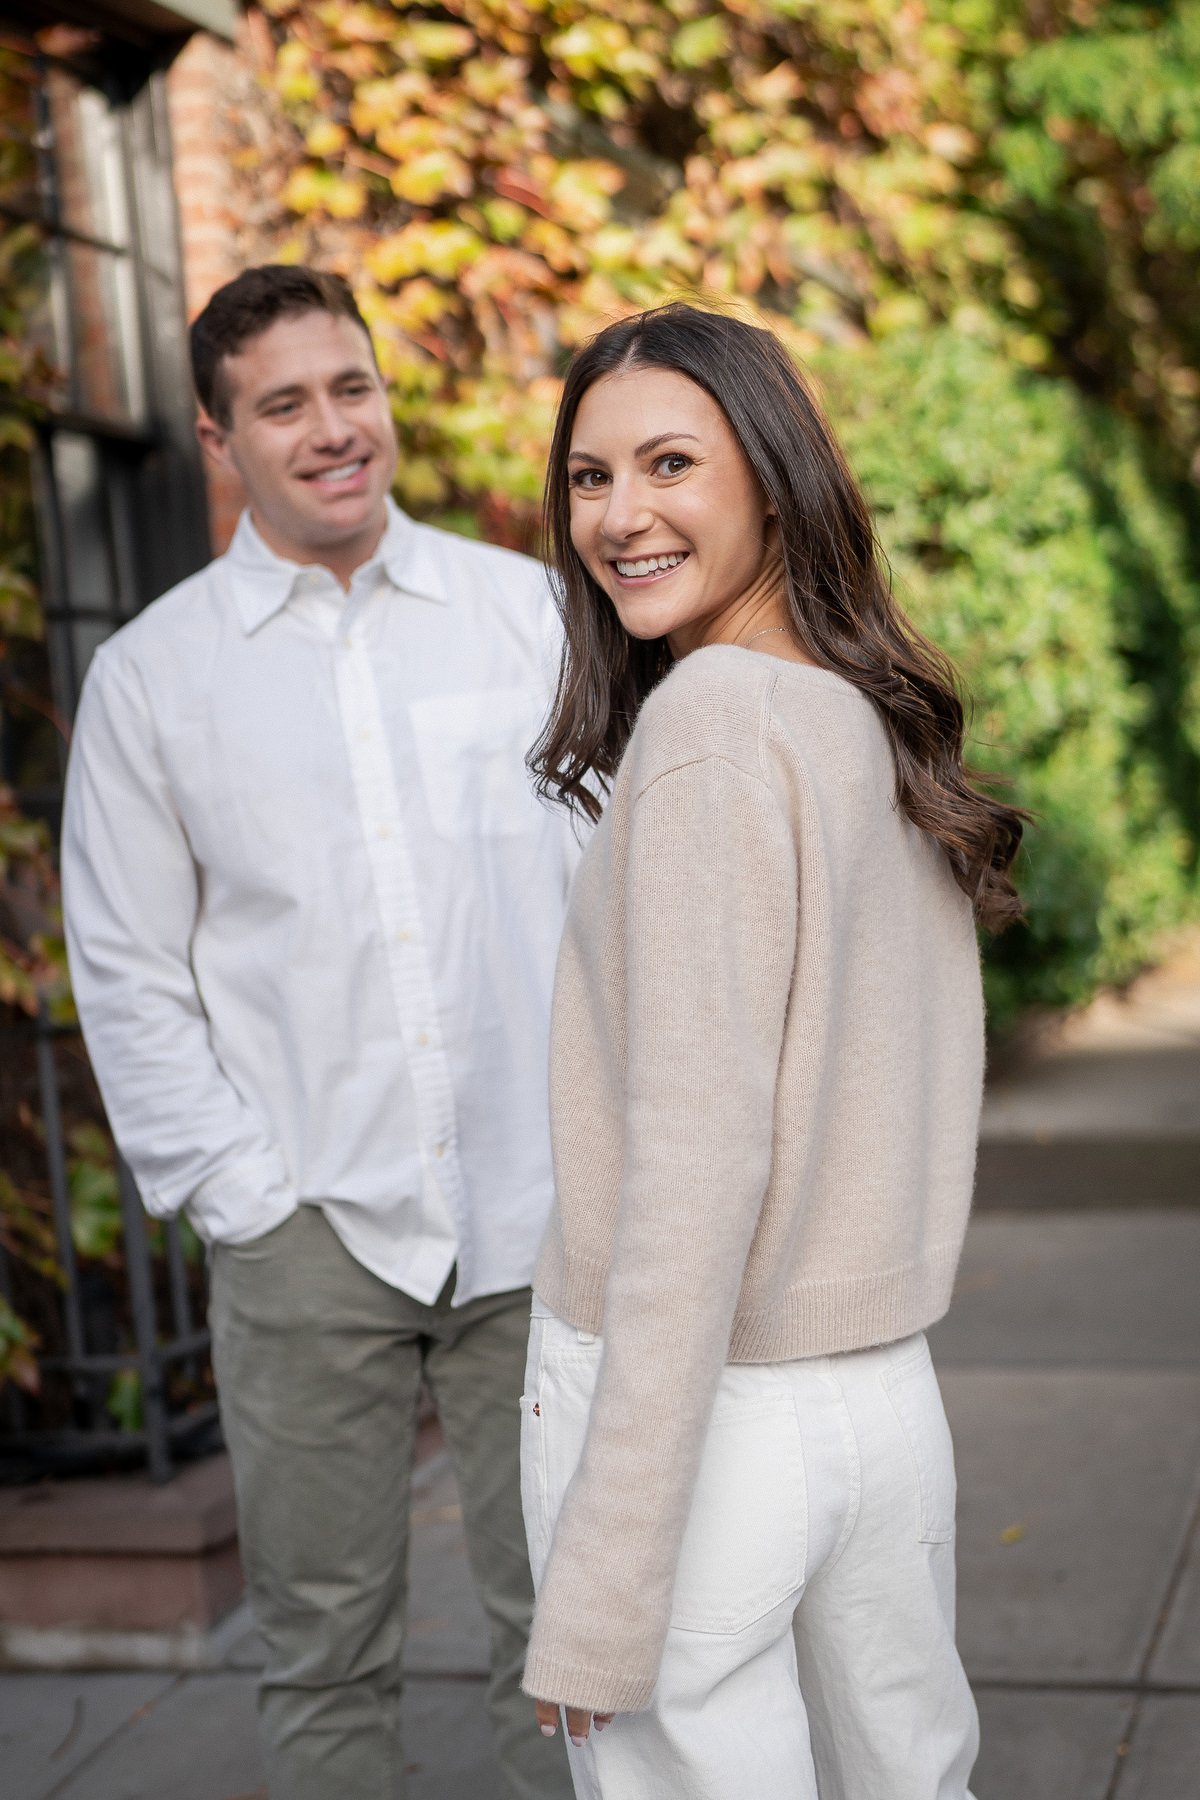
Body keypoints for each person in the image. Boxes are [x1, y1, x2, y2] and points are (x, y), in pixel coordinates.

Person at [61, 264, 576, 1800]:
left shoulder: (528, 614)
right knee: (326, 1648)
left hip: (540, 1214)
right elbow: (129, 965)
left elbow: (619, 886)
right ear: (221, 442)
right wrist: (243, 1196)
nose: (332, 428)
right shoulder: (153, 678)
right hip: (308, 1232)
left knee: (574, 1639)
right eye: (283, 404)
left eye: (350, 387)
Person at [517, 301, 1025, 1799]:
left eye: (670, 461)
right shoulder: (862, 721)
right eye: (589, 478)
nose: (620, 516)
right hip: (877, 1404)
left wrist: (602, 1591)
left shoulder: (713, 733)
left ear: (773, 477)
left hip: (704, 1418)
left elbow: (695, 1166)